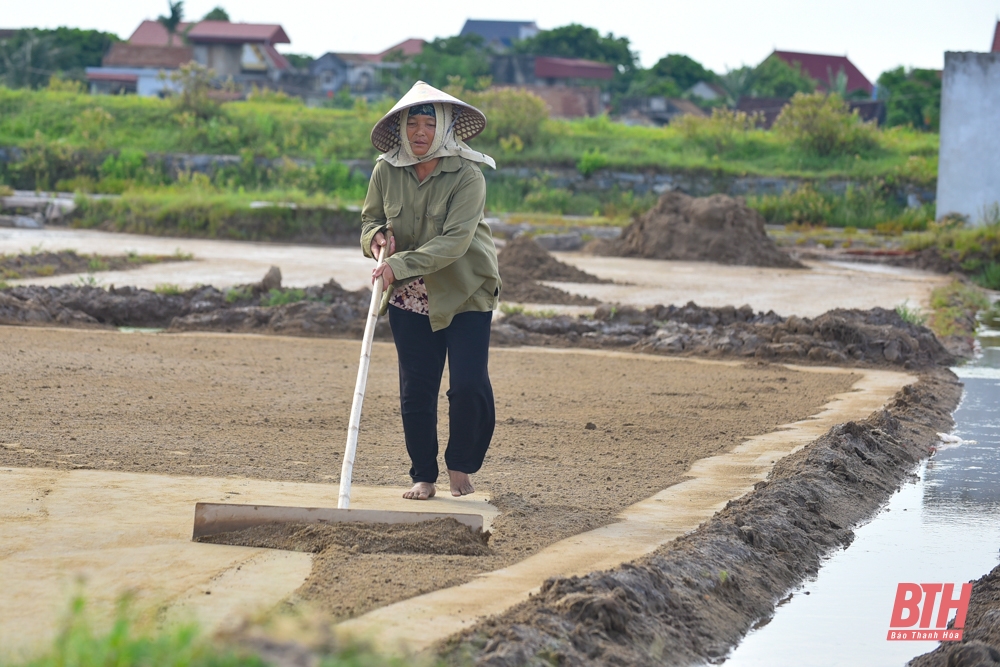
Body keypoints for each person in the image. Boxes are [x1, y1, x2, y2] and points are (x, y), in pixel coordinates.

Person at [360, 81, 501, 500]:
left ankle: (461, 466)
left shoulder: (468, 175)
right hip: (407, 295)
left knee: (469, 386)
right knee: (416, 390)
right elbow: (368, 220)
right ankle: (423, 474)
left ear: (444, 129)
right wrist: (376, 239)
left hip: (465, 290)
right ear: (401, 129)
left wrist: (396, 264)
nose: (419, 132)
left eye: (428, 124)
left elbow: (455, 243)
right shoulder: (385, 170)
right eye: (412, 124)